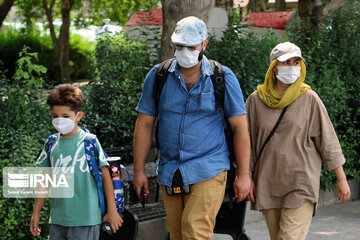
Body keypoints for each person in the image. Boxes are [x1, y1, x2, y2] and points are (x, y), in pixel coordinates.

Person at [132, 16, 251, 239]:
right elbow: (144, 124)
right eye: (179, 46)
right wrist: (139, 171)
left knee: (195, 231)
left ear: (204, 45)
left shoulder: (222, 77)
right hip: (170, 170)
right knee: (178, 235)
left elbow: (240, 128)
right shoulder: (158, 76)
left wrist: (244, 174)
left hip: (209, 166)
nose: (185, 51)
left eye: (191, 46)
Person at [245, 42, 351, 240]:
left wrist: (342, 178)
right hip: (268, 181)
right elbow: (246, 144)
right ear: (274, 66)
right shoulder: (255, 100)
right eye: (286, 62)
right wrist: (246, 176)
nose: (292, 66)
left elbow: (327, 139)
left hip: (301, 182)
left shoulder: (309, 98)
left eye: (296, 62)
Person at [30, 84, 123, 239]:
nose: (60, 121)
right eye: (55, 116)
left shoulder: (90, 142)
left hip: (86, 220)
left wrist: (112, 211)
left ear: (78, 115)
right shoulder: (51, 143)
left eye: (65, 116)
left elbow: (106, 176)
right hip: (58, 220)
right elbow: (44, 180)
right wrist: (36, 213)